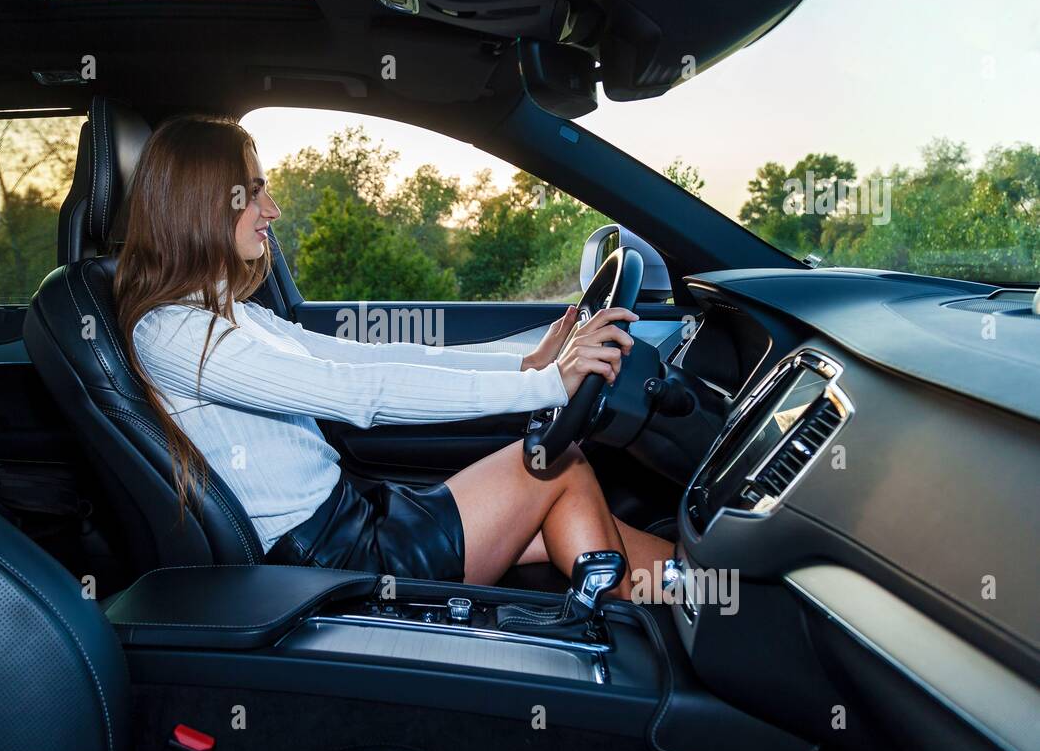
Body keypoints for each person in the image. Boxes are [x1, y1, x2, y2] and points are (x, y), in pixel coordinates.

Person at [114, 115, 673, 591]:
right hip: (332, 559)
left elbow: (363, 361)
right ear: (204, 202)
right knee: (560, 467)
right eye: (254, 191)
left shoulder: (231, 314)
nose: (273, 208)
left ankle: (709, 595)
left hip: (356, 517)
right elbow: (355, 393)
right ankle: (629, 660)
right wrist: (546, 387)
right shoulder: (172, 332)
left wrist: (525, 368)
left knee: (585, 516)